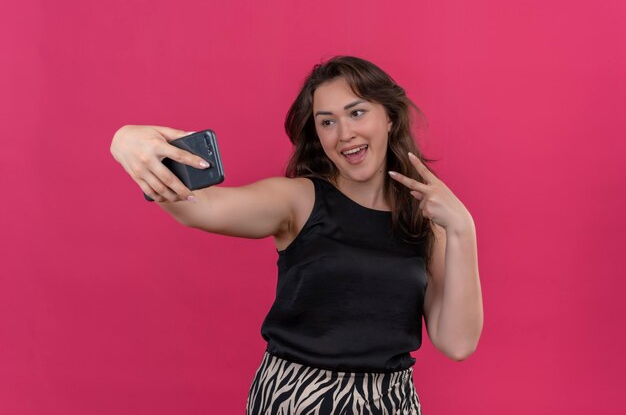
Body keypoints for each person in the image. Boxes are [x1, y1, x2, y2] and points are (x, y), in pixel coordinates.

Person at [110, 55, 483, 414]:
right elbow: (201, 208)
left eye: (356, 112)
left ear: (389, 117)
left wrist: (462, 228)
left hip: (391, 402)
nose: (345, 133)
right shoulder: (299, 199)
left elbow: (457, 343)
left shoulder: (426, 219)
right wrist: (125, 141)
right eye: (327, 122)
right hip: (297, 398)